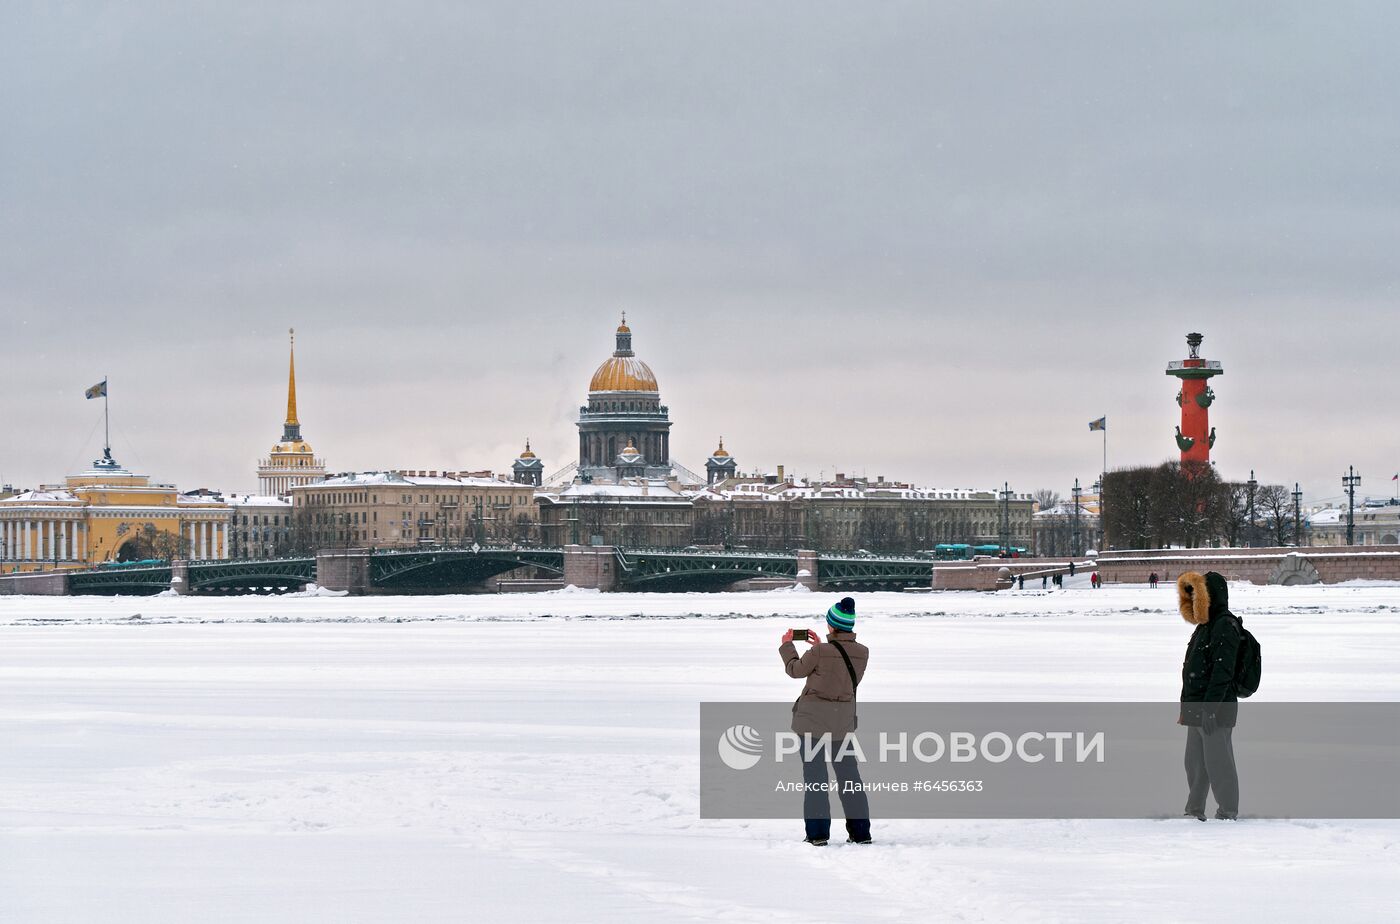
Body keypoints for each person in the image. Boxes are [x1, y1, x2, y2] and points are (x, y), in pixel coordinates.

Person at [778, 597, 871, 846]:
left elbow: (795, 670)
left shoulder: (820, 652)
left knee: (816, 778)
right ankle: (861, 833)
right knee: (849, 777)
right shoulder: (862, 652)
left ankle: (818, 834)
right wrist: (822, 647)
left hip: (812, 725)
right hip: (842, 725)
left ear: (831, 625)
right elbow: (838, 673)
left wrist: (788, 645)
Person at [1177, 571, 1242, 821]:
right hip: (1197, 709)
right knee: (1194, 764)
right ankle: (1194, 810)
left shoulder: (1225, 625)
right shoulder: (1204, 627)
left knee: (1218, 764)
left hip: (1216, 710)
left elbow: (1222, 673)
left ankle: (1228, 811)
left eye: (1199, 596)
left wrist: (1211, 709)